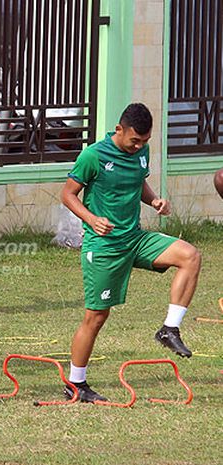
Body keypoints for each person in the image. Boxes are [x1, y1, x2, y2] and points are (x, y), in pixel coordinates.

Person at [60, 103, 201, 403]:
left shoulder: (141, 152)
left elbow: (139, 183)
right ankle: (75, 383)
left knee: (190, 255)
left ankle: (169, 328)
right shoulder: (93, 156)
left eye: (144, 142)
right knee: (96, 316)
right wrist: (91, 219)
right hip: (105, 246)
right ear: (119, 129)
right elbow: (67, 194)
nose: (138, 146)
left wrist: (154, 201)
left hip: (135, 238)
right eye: (134, 140)